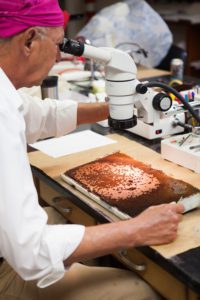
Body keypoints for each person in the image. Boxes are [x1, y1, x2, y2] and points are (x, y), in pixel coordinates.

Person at [0, 1, 184, 299]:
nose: (60, 56)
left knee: (59, 216)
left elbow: (35, 115)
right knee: (138, 290)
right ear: (29, 40)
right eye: (59, 45)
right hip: (8, 272)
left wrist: (110, 108)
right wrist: (138, 230)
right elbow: (32, 253)